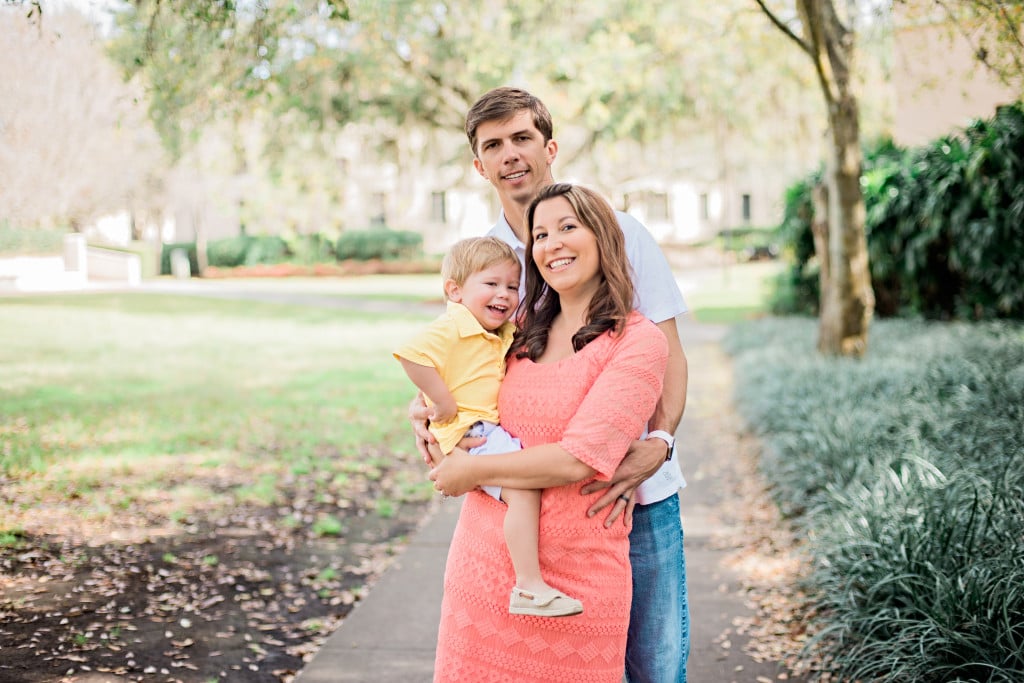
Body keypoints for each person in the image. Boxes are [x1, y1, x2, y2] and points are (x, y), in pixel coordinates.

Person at [413, 86, 691, 682]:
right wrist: (432, 408)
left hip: (630, 492)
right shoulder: (487, 256)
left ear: (549, 146)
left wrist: (660, 441)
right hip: (523, 510)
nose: (510, 154)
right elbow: (470, 359)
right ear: (478, 164)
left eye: (522, 138)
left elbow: (666, 354)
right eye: (494, 145)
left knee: (654, 664)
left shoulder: (618, 231)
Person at [393, 236, 583, 618]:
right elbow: (411, 353)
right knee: (524, 490)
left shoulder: (496, 330)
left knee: (523, 488)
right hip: (468, 426)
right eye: (492, 284)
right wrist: (440, 400)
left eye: (512, 287)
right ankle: (529, 585)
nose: (505, 295)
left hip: (481, 427)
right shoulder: (454, 325)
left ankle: (529, 585)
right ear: (455, 290)